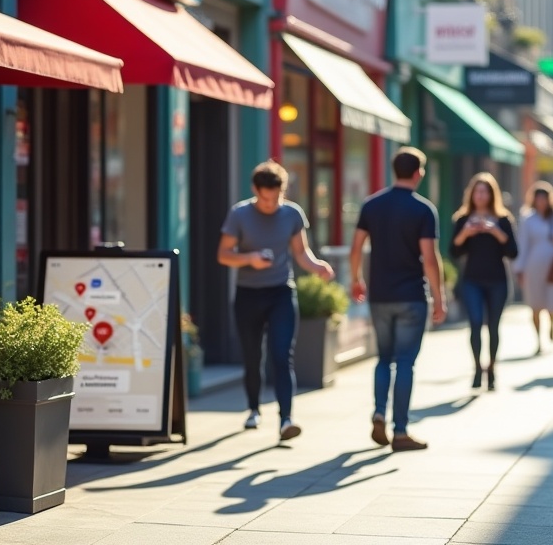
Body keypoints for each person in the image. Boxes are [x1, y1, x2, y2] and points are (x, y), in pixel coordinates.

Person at [218, 160, 335, 442]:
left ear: (283, 190)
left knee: (282, 355)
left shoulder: (292, 214)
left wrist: (318, 266)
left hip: (281, 291)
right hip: (248, 294)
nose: (270, 204)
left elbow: (301, 253)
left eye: (276, 197)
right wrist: (249, 259)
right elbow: (223, 254)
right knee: (252, 355)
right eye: (265, 198)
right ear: (255, 190)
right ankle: (253, 408)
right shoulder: (240, 214)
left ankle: (286, 419)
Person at [349, 147, 447, 451]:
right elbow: (429, 259)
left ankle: (379, 411)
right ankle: (400, 430)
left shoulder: (372, 205)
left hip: (379, 295)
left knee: (383, 359)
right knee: (405, 362)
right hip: (411, 296)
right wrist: (439, 297)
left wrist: (356, 280)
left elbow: (356, 248)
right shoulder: (423, 210)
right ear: (418, 173)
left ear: (395, 170)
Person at [450, 173, 518, 390]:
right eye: (477, 191)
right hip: (472, 280)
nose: (481, 195)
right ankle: (478, 367)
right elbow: (454, 251)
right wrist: (466, 233)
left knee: (494, 327)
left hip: (497, 279)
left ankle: (492, 367)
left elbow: (513, 252)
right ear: (472, 194)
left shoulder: (503, 219)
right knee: (475, 324)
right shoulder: (463, 219)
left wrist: (495, 231)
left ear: (492, 194)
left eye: (485, 191)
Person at [513, 182, 553, 354]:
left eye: (544, 198)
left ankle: (552, 325)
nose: (541, 201)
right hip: (533, 265)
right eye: (538, 198)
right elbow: (523, 244)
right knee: (535, 304)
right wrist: (519, 269)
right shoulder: (528, 219)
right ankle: (538, 340)